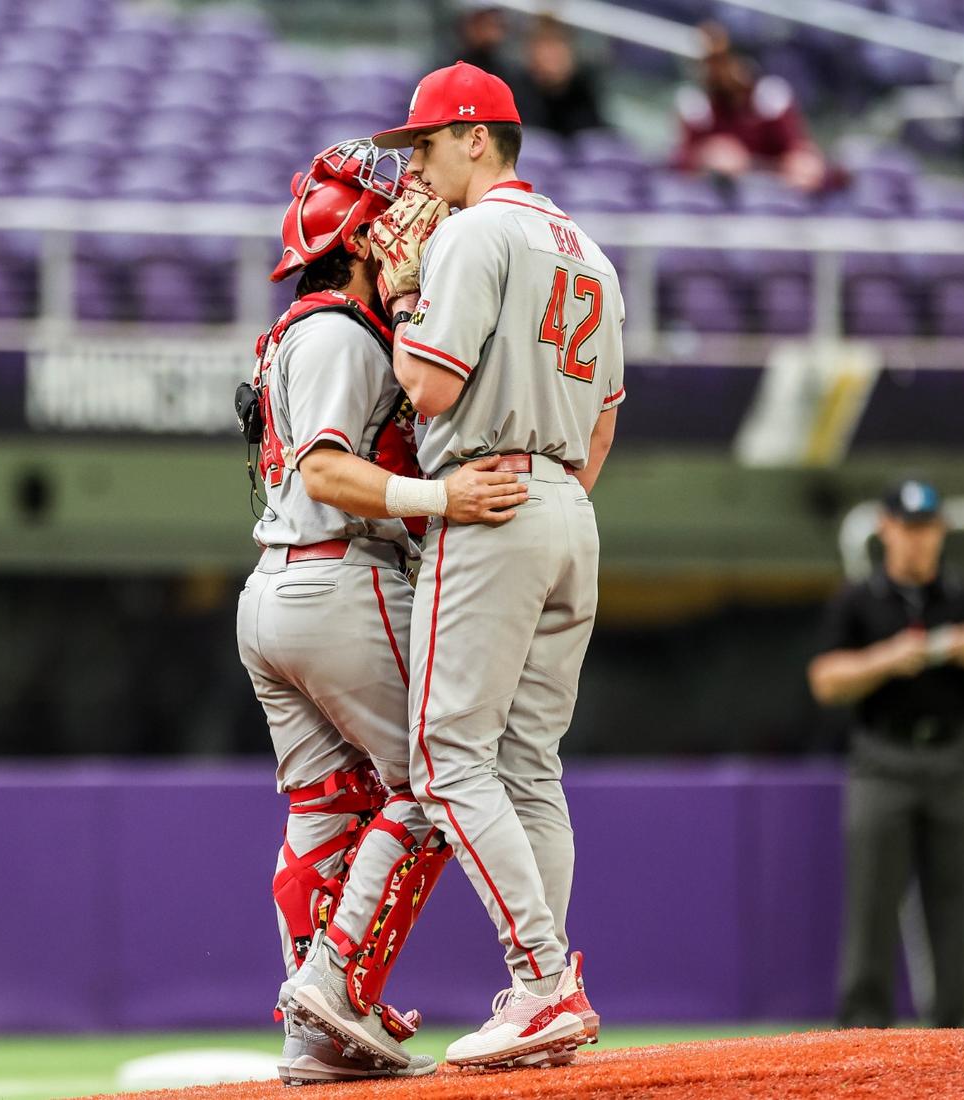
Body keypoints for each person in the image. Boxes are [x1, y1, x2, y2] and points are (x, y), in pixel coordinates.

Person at [285, 61, 624, 1072]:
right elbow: (605, 422)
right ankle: (542, 998)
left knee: (446, 758)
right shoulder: (593, 251)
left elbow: (428, 387)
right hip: (569, 504)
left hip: (493, 500)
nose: (417, 171)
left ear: (479, 136)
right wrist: (554, 494)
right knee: (531, 765)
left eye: (426, 146)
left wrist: (398, 288)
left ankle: (542, 978)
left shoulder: (474, 234)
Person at [237, 138, 530, 1084]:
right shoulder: (333, 331)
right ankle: (333, 985)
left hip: (283, 589)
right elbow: (326, 468)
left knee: (326, 812)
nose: (411, 223)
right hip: (339, 578)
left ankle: (312, 1037)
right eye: (388, 217)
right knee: (440, 783)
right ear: (359, 238)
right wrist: (443, 501)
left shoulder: (312, 326)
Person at [808, 480, 964, 1029]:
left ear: (940, 532)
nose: (918, 542)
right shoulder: (859, 600)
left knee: (955, 906)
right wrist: (887, 659)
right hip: (884, 763)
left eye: (927, 529)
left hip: (953, 761)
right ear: (886, 529)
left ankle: (953, 1036)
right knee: (872, 905)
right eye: (907, 529)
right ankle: (862, 1036)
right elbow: (825, 680)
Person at [673, 22, 829, 192]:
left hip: (772, 191)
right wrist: (704, 156)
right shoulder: (699, 103)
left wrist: (795, 163)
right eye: (711, 62)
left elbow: (797, 150)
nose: (718, 70)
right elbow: (680, 161)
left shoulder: (770, 97)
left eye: (722, 60)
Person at [513, 16, 607, 139]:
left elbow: (592, 135)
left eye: (559, 43)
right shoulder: (517, 89)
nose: (554, 54)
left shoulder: (582, 88)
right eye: (547, 45)